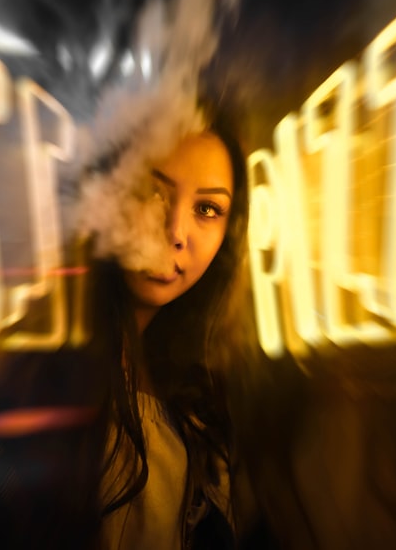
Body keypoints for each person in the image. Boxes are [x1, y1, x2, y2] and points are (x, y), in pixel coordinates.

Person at [80, 105, 253, 550]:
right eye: (152, 192)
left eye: (207, 208)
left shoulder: (208, 389)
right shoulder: (50, 358)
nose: (176, 231)